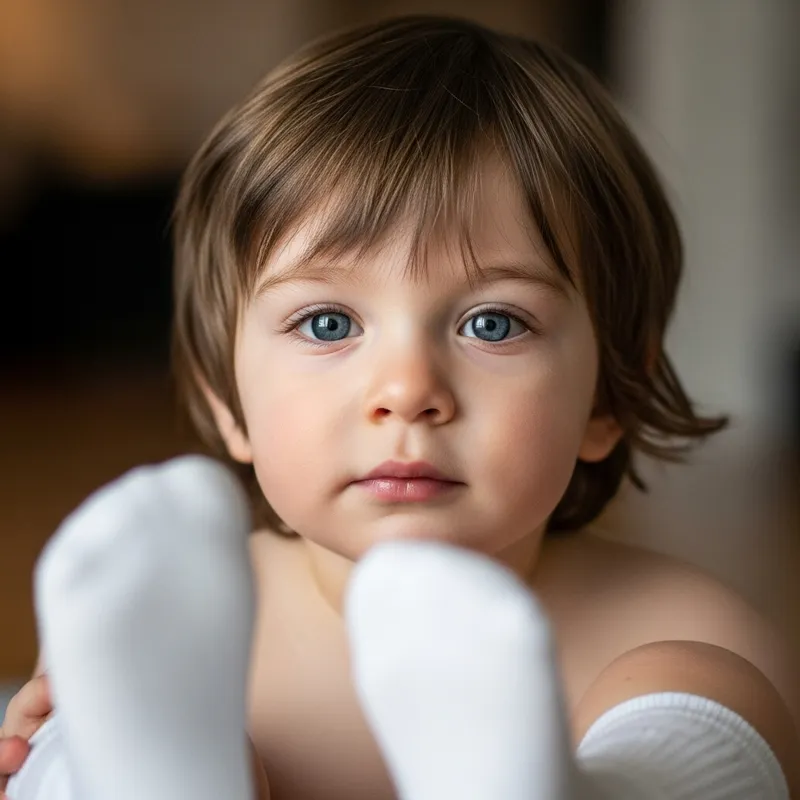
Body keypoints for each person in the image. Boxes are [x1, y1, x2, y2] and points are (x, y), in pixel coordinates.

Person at [1, 14, 798, 800]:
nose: (408, 389)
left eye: (493, 324)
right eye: (328, 324)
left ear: (609, 394)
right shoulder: (176, 611)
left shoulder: (668, 625)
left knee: (707, 680)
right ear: (228, 401)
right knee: (128, 699)